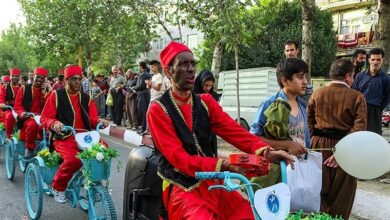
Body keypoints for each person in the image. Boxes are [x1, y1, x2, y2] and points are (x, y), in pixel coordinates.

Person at [147, 41, 294, 220]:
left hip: (214, 182)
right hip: (181, 187)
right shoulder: (157, 110)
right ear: (169, 71)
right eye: (184, 64)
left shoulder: (206, 102)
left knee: (247, 213)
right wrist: (222, 165)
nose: (191, 69)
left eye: (193, 64)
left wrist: (266, 151)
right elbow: (179, 160)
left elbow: (234, 131)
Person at [307, 58, 367, 219]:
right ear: (348, 76)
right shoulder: (357, 97)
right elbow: (359, 128)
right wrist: (342, 151)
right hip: (346, 148)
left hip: (318, 147)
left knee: (317, 189)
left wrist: (314, 141)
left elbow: (309, 122)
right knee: (342, 195)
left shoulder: (317, 93)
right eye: (353, 75)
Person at [40, 65, 109, 203]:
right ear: (66, 80)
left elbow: (92, 119)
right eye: (74, 79)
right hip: (64, 137)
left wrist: (101, 121)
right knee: (73, 160)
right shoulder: (56, 95)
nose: (78, 82)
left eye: (79, 79)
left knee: (105, 151)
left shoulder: (86, 98)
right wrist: (54, 124)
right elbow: (44, 118)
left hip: (85, 137)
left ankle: (94, 184)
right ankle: (57, 187)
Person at [251, 58, 309, 156]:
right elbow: (254, 137)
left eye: (305, 77)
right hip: (281, 166)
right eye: (300, 77)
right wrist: (287, 145)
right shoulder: (270, 105)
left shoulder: (303, 105)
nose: (305, 81)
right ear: (284, 81)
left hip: (302, 166)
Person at [14, 67, 51, 159]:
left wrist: (45, 93)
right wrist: (22, 113)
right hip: (27, 117)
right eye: (38, 77)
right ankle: (29, 149)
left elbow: (49, 106)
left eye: (42, 78)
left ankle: (49, 150)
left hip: (42, 118)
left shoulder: (44, 91)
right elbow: (17, 105)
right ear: (33, 77)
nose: (39, 79)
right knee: (32, 125)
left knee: (51, 128)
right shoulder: (23, 88)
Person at [352, 48, 390, 135]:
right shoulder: (360, 76)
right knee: (357, 135)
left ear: (382, 60)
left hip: (375, 111)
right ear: (369, 60)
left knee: (373, 136)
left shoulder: (386, 79)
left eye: (378, 60)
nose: (375, 62)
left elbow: (388, 96)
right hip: (358, 110)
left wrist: (379, 108)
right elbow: (354, 93)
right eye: (373, 59)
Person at [0, 68, 21, 138]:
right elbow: (1, 98)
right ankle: (8, 135)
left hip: (20, 110)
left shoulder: (22, 87)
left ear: (19, 77)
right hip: (8, 109)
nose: (14, 77)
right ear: (10, 77)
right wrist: (2, 104)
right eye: (13, 76)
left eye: (16, 76)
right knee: (10, 116)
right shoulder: (4, 87)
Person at [132, 61, 150, 133]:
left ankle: (143, 128)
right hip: (142, 94)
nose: (138, 68)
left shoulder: (144, 74)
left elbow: (141, 85)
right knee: (142, 111)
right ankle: (143, 127)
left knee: (143, 111)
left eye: (138, 66)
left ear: (141, 67)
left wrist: (133, 88)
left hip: (143, 94)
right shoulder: (143, 74)